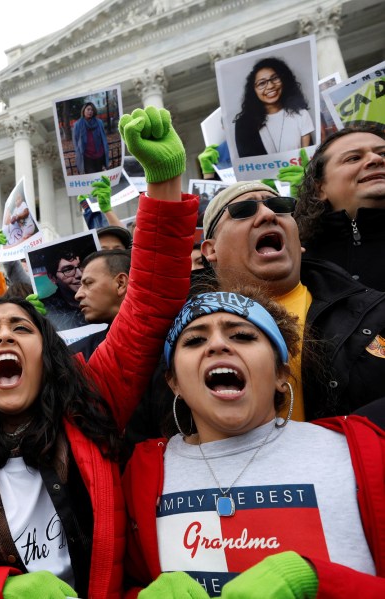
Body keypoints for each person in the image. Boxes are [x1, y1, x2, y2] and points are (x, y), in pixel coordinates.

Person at [0, 106, 198, 598]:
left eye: (21, 328)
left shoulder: (91, 401)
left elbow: (151, 300)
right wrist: (0, 590)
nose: (5, 336)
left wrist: (163, 184)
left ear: (46, 351)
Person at [125, 290, 385, 598]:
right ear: (175, 383)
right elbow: (126, 583)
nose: (218, 345)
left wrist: (320, 582)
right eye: (195, 340)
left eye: (242, 336)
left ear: (280, 373)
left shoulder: (363, 451)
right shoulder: (142, 474)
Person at [201, 180, 385, 421]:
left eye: (280, 207)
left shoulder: (375, 313)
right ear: (210, 250)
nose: (268, 215)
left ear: (299, 244)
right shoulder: (180, 332)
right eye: (243, 210)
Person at [293, 126, 385, 291]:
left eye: (383, 154)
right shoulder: (297, 260)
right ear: (320, 189)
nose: (376, 159)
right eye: (354, 158)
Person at [234, 57, 314, 157]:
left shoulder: (301, 114)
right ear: (253, 91)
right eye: (262, 83)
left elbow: (308, 159)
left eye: (275, 78)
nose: (270, 86)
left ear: (284, 80)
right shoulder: (244, 125)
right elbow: (248, 164)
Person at [39, 249, 89, 331]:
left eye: (80, 266)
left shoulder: (103, 298)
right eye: (68, 270)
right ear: (52, 278)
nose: (80, 274)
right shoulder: (46, 309)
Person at [73, 102, 110, 174]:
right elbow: (76, 141)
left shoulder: (99, 122)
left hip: (99, 155)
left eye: (92, 110)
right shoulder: (78, 124)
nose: (90, 111)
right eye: (88, 109)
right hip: (87, 157)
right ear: (83, 110)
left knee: (99, 175)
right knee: (92, 177)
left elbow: (103, 138)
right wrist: (79, 153)